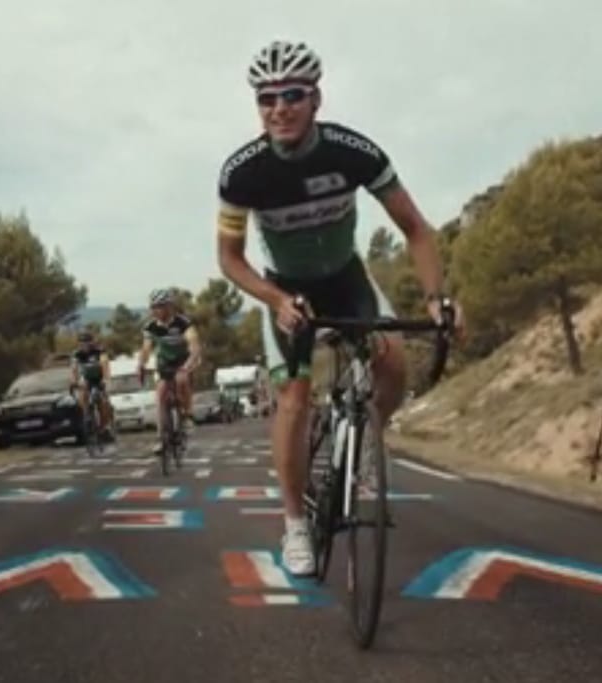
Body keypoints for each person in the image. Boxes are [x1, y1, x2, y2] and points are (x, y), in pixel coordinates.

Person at [215, 40, 466, 575]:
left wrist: (436, 298)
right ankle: (295, 526)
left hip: (347, 277)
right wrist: (276, 300)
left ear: (315, 98)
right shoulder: (243, 173)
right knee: (294, 398)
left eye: (292, 94)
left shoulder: (355, 152)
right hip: (289, 290)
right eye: (266, 98)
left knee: (393, 361)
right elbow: (230, 260)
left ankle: (370, 433)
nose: (279, 107)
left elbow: (416, 229)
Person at [137, 289, 202, 454]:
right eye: (153, 307)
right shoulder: (150, 326)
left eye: (159, 307)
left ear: (169, 307)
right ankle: (161, 438)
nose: (155, 311)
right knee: (160, 395)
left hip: (184, 359)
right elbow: (146, 349)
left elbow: (194, 345)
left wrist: (188, 364)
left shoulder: (183, 322)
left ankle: (187, 415)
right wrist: (141, 365)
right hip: (165, 362)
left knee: (182, 380)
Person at [70, 330, 114, 437]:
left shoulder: (99, 351)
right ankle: (87, 415)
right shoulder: (77, 354)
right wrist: (73, 381)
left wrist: (106, 379)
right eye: (81, 342)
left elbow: (105, 364)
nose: (84, 344)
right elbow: (74, 368)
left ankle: (104, 426)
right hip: (87, 379)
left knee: (102, 402)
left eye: (86, 342)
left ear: (92, 342)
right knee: (82, 391)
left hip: (99, 378)